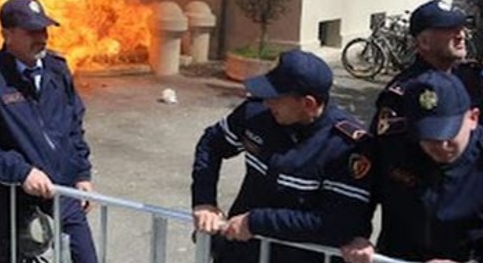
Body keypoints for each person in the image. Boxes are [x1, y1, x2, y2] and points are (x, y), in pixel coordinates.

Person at [0, 0, 97, 263]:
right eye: (31, 31)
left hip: (62, 187)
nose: (41, 37)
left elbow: (73, 124)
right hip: (13, 197)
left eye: (43, 29)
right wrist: (22, 172)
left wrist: (82, 172)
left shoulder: (57, 70)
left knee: (86, 257)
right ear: (6, 34)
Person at [191, 50, 373, 263]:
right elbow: (211, 143)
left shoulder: (346, 146)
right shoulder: (257, 114)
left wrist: (257, 222)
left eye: (276, 97)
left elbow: (339, 224)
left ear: (308, 104)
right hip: (242, 253)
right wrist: (204, 201)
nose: (267, 103)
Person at [341, 70, 483, 262]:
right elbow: (361, 192)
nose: (440, 145)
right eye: (429, 136)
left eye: (449, 134)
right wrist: (357, 234)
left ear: (473, 118)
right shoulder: (392, 145)